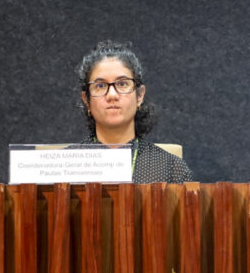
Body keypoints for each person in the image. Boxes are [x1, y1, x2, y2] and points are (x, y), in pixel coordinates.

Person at [78, 40, 194, 184]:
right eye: (100, 86)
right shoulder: (64, 166)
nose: (112, 95)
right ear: (86, 99)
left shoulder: (172, 170)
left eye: (122, 84)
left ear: (139, 96)